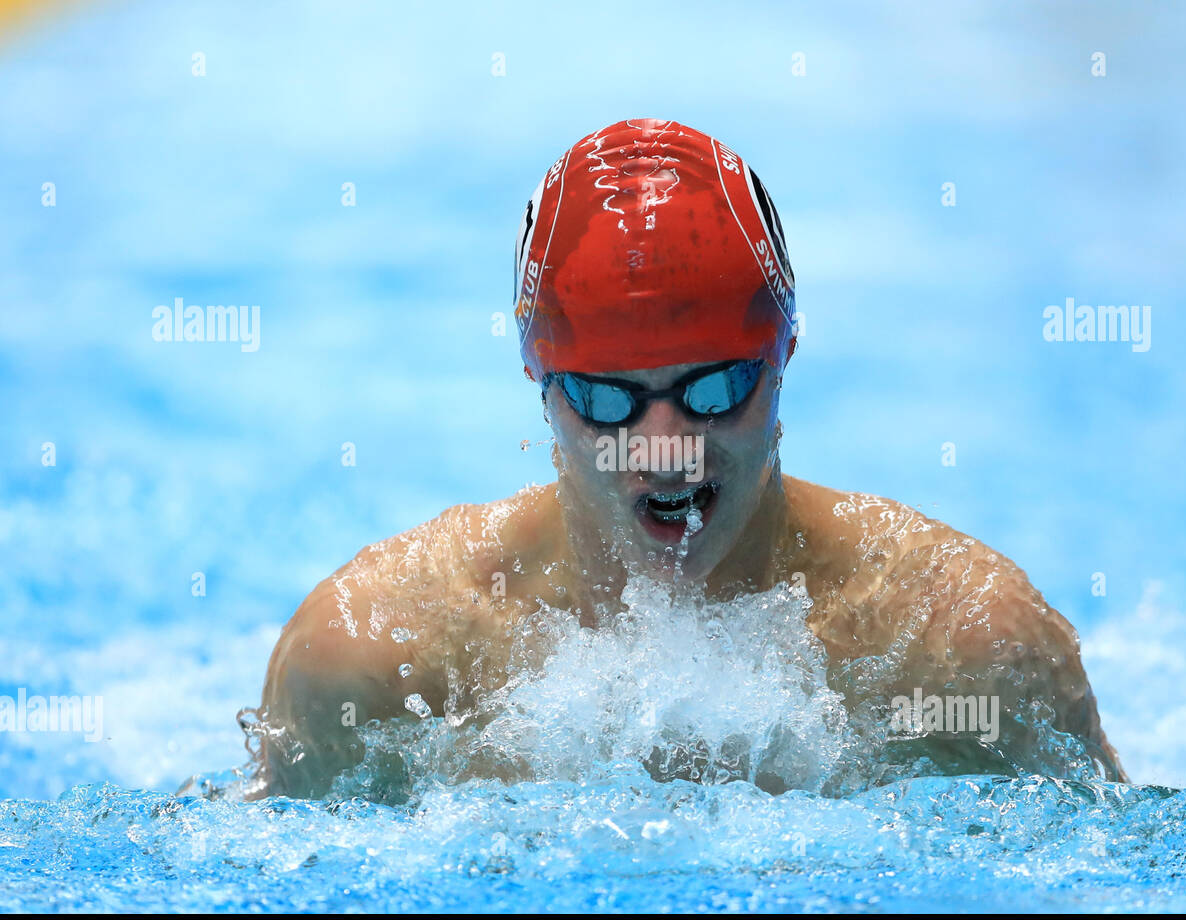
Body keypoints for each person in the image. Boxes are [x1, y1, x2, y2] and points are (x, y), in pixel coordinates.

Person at [248, 118, 1125, 799]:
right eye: (608, 401)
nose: (665, 446)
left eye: (711, 391)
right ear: (538, 384)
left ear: (782, 359)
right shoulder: (376, 662)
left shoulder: (957, 646)